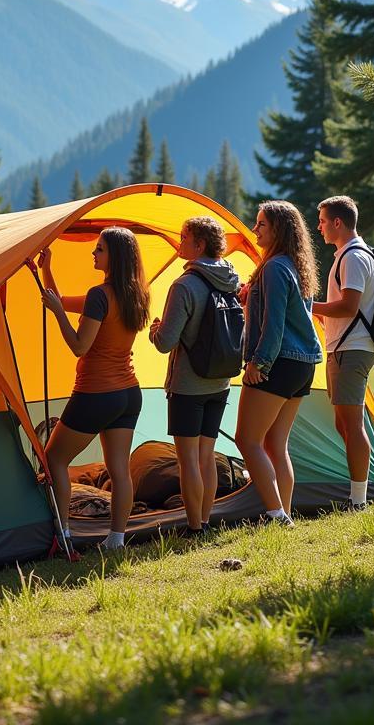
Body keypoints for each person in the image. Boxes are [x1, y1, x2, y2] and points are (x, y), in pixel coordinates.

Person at [39, 227, 150, 551]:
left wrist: (59, 314)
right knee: (119, 470)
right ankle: (116, 539)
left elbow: (78, 346)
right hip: (128, 394)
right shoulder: (135, 294)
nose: (93, 253)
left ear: (113, 257)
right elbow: (57, 299)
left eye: (99, 249)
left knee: (54, 460)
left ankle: (64, 537)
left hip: (95, 393)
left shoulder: (100, 295)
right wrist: (47, 269)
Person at [148, 216, 240, 537]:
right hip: (221, 381)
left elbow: (165, 343)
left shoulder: (185, 285)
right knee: (205, 456)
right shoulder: (231, 279)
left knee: (188, 460)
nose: (179, 242)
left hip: (188, 384)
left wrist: (155, 329)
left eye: (184, 237)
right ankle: (206, 519)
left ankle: (194, 526)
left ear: (199, 245)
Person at [235, 201, 322, 526]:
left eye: (261, 225)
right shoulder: (296, 266)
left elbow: (274, 324)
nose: (255, 229)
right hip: (303, 364)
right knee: (275, 442)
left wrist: (259, 362)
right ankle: (283, 512)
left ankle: (275, 514)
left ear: (278, 230)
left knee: (247, 439)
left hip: (278, 361)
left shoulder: (273, 268)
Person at [312, 195, 374, 512]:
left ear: (338, 222)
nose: (320, 227)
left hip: (352, 349)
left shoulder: (353, 257)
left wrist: (308, 306)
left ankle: (358, 500)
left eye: (323, 221)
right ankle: (356, 494)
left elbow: (349, 306)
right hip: (343, 348)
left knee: (352, 426)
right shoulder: (348, 255)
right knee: (344, 424)